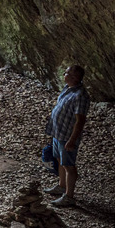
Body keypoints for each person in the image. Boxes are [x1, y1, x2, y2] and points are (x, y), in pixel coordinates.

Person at [44, 65, 90, 207]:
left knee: (69, 165)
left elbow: (80, 120)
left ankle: (69, 196)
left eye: (67, 73)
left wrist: (71, 140)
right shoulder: (68, 88)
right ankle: (61, 186)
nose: (64, 74)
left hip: (66, 136)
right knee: (60, 160)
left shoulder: (80, 96)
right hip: (58, 133)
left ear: (74, 77)